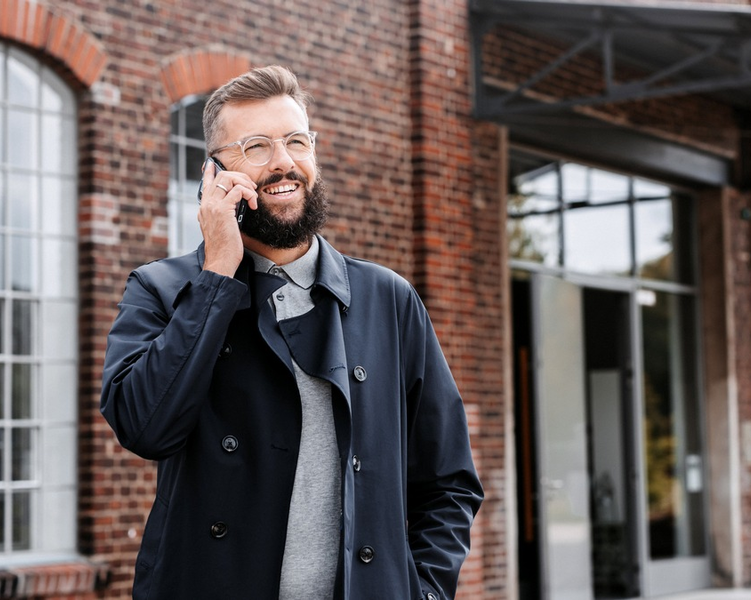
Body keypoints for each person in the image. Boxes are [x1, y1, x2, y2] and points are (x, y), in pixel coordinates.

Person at [100, 65, 483, 600]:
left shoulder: (387, 299)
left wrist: (424, 592)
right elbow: (145, 428)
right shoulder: (161, 290)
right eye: (256, 146)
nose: (284, 162)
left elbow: (447, 480)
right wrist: (217, 274)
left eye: (296, 141)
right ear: (213, 174)